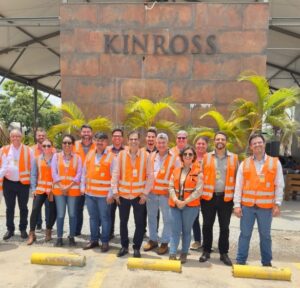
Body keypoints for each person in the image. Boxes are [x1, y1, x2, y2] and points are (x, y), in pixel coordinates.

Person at [234, 133, 284, 266]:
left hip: (266, 208)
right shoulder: (245, 163)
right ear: (251, 147)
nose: (257, 145)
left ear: (264, 144)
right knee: (245, 235)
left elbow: (279, 185)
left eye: (259, 142)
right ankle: (240, 260)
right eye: (254, 143)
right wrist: (237, 205)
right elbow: (239, 185)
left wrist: (277, 204)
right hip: (247, 207)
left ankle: (266, 262)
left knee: (265, 236)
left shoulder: (275, 163)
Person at [112, 130, 153, 258]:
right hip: (123, 196)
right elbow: (115, 174)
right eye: (131, 139)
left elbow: (151, 176)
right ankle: (124, 246)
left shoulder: (146, 156)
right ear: (128, 141)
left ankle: (136, 247)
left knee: (139, 223)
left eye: (136, 139)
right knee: (123, 222)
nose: (133, 141)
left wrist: (145, 194)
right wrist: (115, 192)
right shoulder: (121, 155)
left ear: (139, 141)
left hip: (138, 197)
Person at [199, 132, 238, 266]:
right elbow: (200, 177)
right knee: (207, 225)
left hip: (226, 199)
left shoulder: (234, 158)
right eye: (217, 139)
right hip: (208, 198)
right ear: (214, 141)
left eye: (222, 139)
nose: (220, 141)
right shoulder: (206, 157)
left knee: (224, 227)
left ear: (226, 141)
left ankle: (223, 253)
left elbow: (238, 180)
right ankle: (206, 251)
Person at [143, 133, 180, 255]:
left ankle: (164, 242)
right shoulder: (152, 156)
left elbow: (178, 177)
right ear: (156, 143)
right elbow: (147, 174)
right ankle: (153, 240)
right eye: (159, 143)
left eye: (163, 143)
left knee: (167, 220)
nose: (161, 145)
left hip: (165, 195)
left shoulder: (175, 158)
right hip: (152, 194)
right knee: (152, 218)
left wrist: (172, 192)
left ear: (167, 143)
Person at [169, 146, 203, 263]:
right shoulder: (175, 171)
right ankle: (172, 253)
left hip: (190, 207)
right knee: (175, 230)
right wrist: (176, 200)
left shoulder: (198, 172)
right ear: (181, 157)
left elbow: (199, 190)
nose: (187, 156)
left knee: (187, 230)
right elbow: (171, 187)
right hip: (175, 206)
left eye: (190, 154)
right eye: (185, 154)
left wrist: (184, 202)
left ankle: (184, 253)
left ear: (193, 157)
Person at [81, 132, 114, 252]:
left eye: (102, 141)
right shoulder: (90, 154)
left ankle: (105, 241)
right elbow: (84, 172)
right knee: (93, 218)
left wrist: (111, 193)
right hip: (90, 194)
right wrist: (82, 187)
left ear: (106, 143)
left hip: (103, 196)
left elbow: (114, 177)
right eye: (97, 140)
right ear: (94, 141)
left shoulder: (111, 157)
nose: (99, 143)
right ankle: (94, 240)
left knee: (105, 218)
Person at [0, 129, 33, 240]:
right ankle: (10, 229)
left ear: (21, 137)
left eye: (17, 136)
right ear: (10, 138)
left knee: (23, 207)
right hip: (8, 183)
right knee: (10, 208)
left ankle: (23, 229)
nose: (15, 138)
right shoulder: (4, 150)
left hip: (23, 184)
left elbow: (33, 168)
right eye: (13, 136)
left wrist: (33, 185)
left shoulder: (28, 150)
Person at [52, 134, 82, 247]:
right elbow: (54, 173)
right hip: (59, 191)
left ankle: (72, 237)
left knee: (72, 214)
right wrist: (61, 186)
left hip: (72, 191)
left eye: (69, 143)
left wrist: (68, 187)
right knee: (60, 215)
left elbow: (78, 174)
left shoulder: (77, 158)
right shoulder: (56, 157)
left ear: (73, 145)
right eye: (65, 143)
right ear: (62, 144)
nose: (67, 145)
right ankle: (59, 238)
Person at [27, 139, 57, 245]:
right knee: (35, 210)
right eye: (44, 146)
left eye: (49, 146)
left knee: (51, 212)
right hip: (40, 190)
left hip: (52, 190)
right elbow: (34, 175)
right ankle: (32, 233)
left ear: (52, 147)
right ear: (41, 147)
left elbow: (58, 174)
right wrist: (34, 189)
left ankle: (48, 231)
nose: (46, 148)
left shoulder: (56, 159)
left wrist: (53, 188)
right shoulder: (37, 159)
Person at [73, 124, 95, 236]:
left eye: (88, 132)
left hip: (93, 183)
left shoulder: (97, 145)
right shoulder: (74, 145)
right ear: (80, 133)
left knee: (94, 210)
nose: (86, 134)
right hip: (77, 183)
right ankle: (77, 231)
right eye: (84, 132)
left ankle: (95, 233)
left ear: (91, 133)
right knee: (77, 208)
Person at [31, 127, 55, 230]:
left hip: (50, 188)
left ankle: (48, 227)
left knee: (49, 208)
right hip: (39, 186)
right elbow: (33, 171)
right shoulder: (32, 150)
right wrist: (33, 188)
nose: (41, 137)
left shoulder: (54, 153)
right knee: (36, 208)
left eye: (43, 135)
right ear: (36, 137)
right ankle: (38, 224)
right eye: (39, 135)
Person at [107, 128, 126, 240]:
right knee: (109, 212)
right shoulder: (107, 150)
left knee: (123, 215)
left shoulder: (127, 151)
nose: (117, 138)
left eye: (119, 136)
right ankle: (109, 233)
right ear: (112, 138)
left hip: (123, 189)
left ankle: (123, 236)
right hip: (110, 188)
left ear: (122, 138)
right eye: (115, 136)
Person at [190, 136, 208, 251]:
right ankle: (197, 240)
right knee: (194, 218)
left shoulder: (210, 158)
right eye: (198, 143)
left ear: (206, 145)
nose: (200, 146)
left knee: (207, 220)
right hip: (194, 194)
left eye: (203, 144)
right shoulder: (191, 158)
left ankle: (207, 242)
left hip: (207, 194)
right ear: (195, 145)